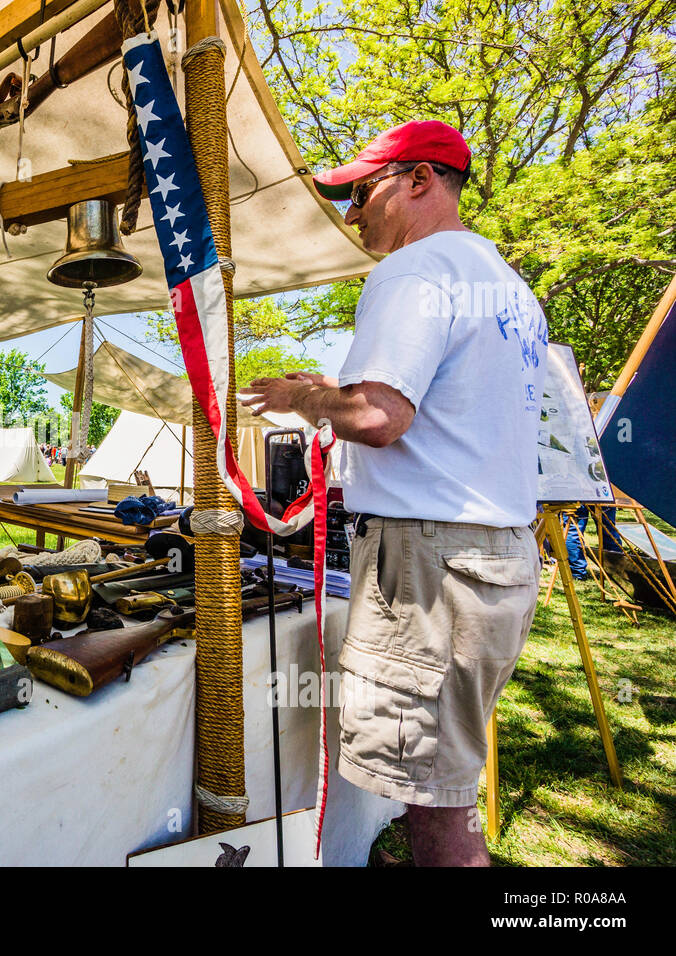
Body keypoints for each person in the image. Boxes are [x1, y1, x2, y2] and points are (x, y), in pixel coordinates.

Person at [240, 121, 547, 866]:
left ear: (418, 181)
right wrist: (332, 395)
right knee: (445, 780)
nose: (351, 214)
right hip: (491, 559)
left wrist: (303, 398)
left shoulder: (415, 271)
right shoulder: (506, 287)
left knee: (435, 807)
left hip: (430, 572)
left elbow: (380, 416)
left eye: (360, 192)